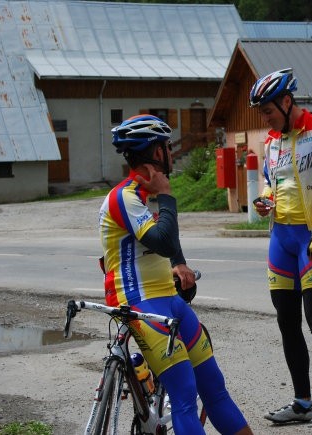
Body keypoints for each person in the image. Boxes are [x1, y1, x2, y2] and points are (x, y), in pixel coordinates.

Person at [99, 114, 253, 435]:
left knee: (214, 388)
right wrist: (167, 194)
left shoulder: (145, 197)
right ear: (154, 152)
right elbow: (163, 239)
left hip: (167, 300)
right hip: (138, 303)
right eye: (167, 146)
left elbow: (167, 241)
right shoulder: (123, 197)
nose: (171, 153)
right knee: (184, 395)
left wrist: (180, 263)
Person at [248, 68, 312, 433]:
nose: (266, 118)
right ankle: (302, 402)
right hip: (281, 239)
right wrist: (264, 201)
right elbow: (269, 182)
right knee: (286, 322)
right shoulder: (272, 141)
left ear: (287, 100)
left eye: (268, 110)